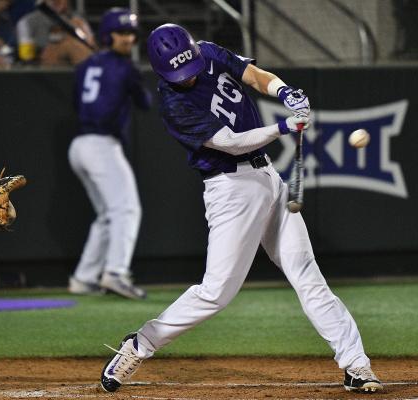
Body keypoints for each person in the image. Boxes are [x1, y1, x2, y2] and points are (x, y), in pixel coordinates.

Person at [100, 23, 383, 394]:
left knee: (306, 274)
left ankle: (356, 365)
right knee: (216, 292)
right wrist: (284, 125)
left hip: (267, 175)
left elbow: (254, 76)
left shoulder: (208, 52)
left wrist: (285, 91)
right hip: (231, 189)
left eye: (190, 69)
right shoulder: (173, 103)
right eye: (179, 74)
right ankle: (141, 344)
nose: (188, 78)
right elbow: (231, 143)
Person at [68, 8, 152, 300]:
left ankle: (83, 278)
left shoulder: (85, 66)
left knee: (106, 215)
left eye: (131, 33)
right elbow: (146, 103)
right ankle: (115, 273)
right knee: (126, 209)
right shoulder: (126, 68)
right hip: (102, 145)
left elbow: (78, 105)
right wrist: (136, 80)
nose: (128, 38)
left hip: (79, 147)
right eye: (122, 33)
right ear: (107, 35)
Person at [15, 0, 92, 66]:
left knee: (72, 45)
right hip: (43, 70)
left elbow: (92, 49)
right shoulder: (27, 22)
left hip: (73, 67)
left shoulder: (78, 21)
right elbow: (27, 57)